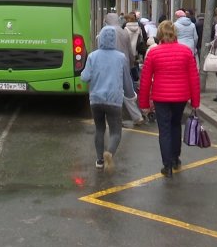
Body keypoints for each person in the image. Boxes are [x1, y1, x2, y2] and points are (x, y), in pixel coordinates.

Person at [138, 20, 201, 178]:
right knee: (175, 125)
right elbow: (194, 78)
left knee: (164, 130)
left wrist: (144, 104)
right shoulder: (186, 52)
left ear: (159, 34)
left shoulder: (153, 53)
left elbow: (145, 80)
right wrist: (195, 102)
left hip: (160, 97)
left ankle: (167, 166)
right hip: (180, 97)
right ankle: (175, 158)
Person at [80, 26, 136, 172]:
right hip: (114, 101)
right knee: (116, 131)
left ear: (100, 39)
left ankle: (99, 160)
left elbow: (85, 77)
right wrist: (131, 95)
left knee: (99, 129)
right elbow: (126, 81)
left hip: (96, 100)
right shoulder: (121, 57)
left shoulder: (92, 56)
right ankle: (109, 153)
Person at [104, 13, 145, 125]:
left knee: (113, 92)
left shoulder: (106, 31)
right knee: (127, 91)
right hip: (124, 63)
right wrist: (131, 63)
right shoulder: (123, 32)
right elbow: (130, 50)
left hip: (111, 65)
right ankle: (137, 117)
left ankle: (116, 118)